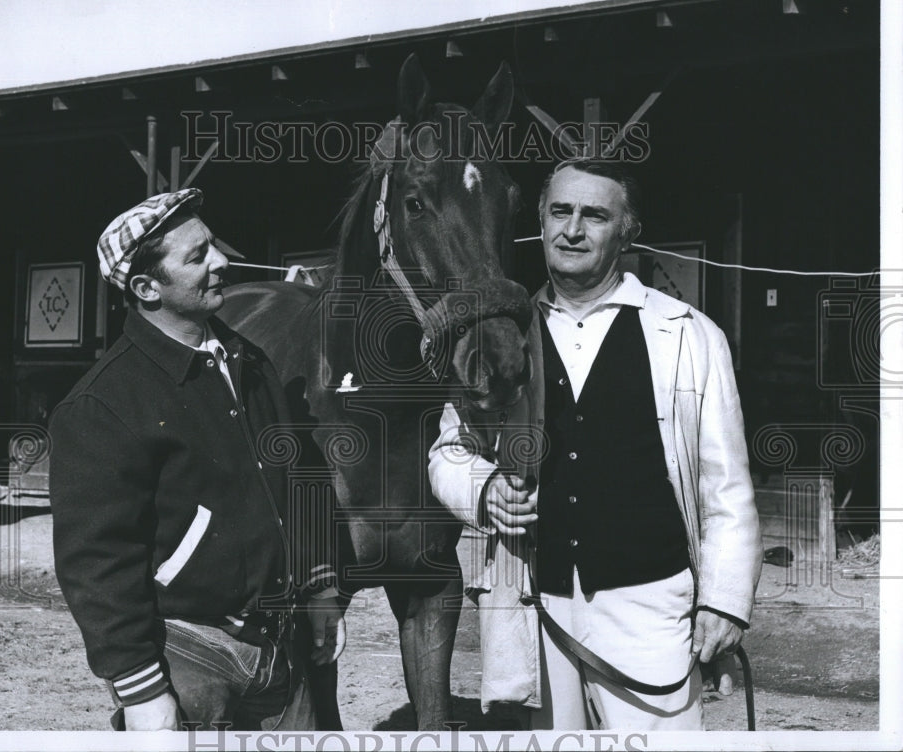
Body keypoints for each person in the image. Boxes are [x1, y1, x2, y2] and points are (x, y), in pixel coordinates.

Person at [428, 160, 762, 730]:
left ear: (626, 231)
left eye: (595, 215)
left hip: (652, 611)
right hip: (538, 607)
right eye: (560, 211)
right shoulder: (503, 336)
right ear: (540, 221)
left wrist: (724, 603)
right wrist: (483, 491)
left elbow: (727, 489)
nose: (573, 229)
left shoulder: (688, 334)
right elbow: (447, 451)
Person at [49, 188, 345, 731]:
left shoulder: (249, 361)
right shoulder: (101, 406)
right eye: (197, 257)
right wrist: (141, 689)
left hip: (283, 642)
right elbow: (95, 561)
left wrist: (321, 584)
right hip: (188, 654)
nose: (222, 263)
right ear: (146, 288)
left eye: (213, 245)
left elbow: (298, 474)